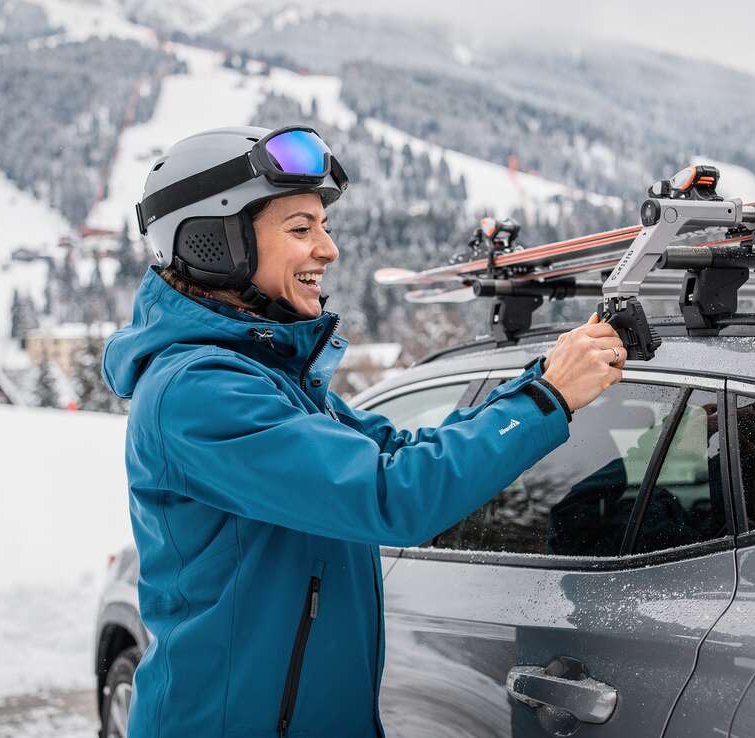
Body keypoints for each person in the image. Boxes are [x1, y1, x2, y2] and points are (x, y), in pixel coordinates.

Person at [101, 125, 627, 738]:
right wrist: (548, 398)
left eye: (323, 226)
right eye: (301, 229)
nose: (328, 249)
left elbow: (402, 452)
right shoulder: (198, 393)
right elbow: (392, 494)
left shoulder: (271, 378)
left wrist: (542, 378)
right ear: (215, 243)